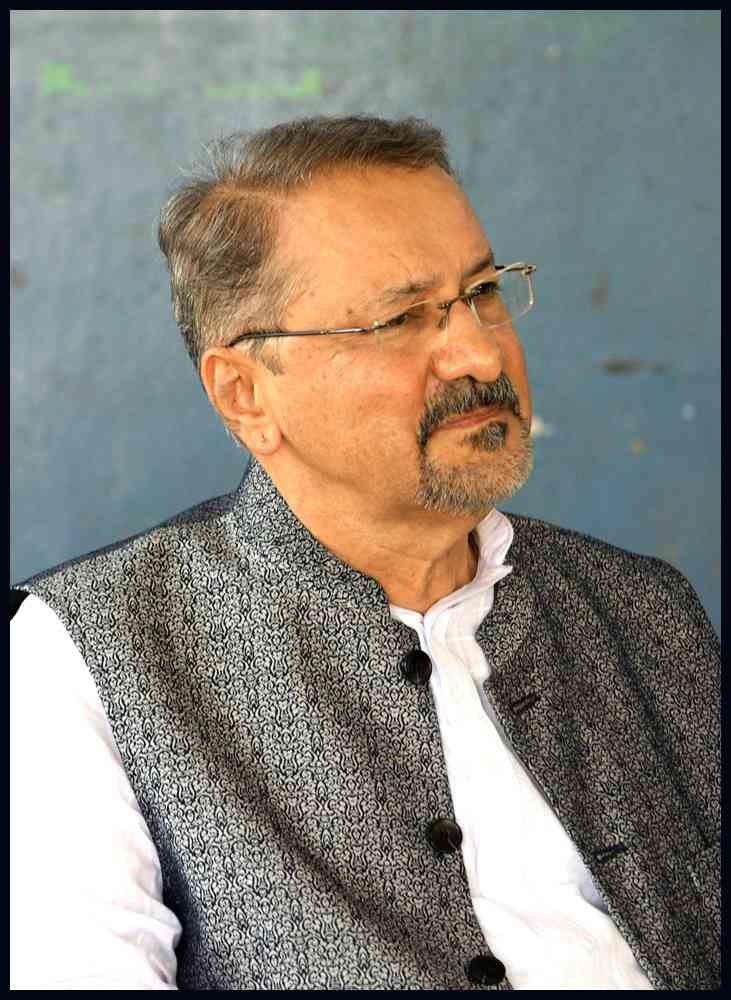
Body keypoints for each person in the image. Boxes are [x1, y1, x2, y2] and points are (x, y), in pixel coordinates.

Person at [10, 115, 719, 991]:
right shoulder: (83, 652)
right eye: (401, 318)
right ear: (244, 393)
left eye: (483, 291)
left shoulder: (643, 608)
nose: (477, 352)